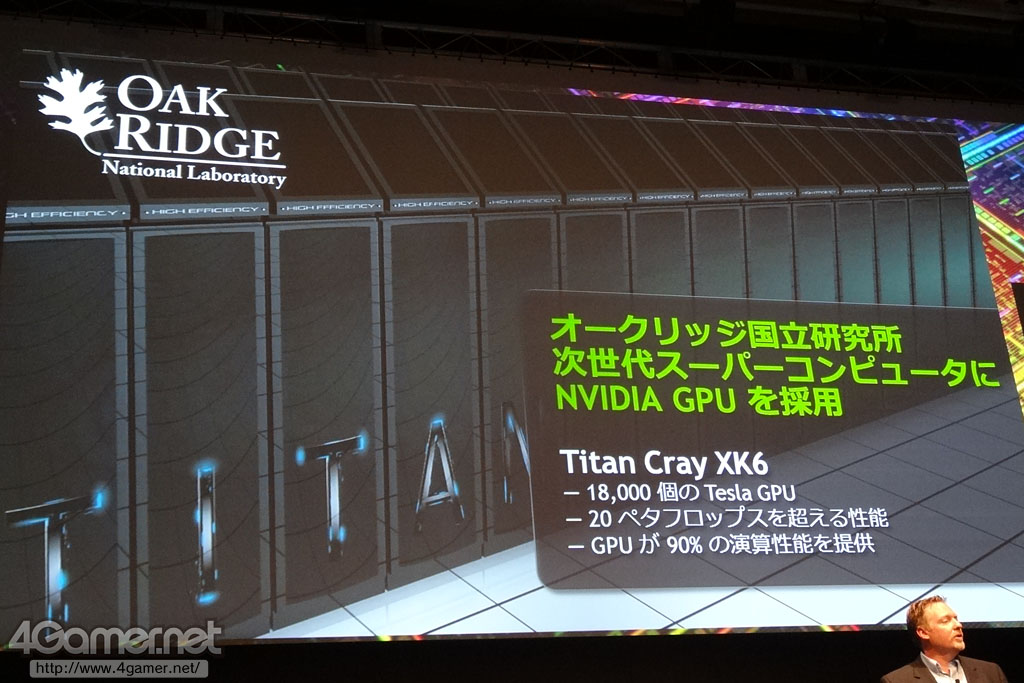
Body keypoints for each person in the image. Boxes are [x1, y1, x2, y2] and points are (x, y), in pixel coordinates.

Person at [881, 596, 1008, 683]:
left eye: (956, 619)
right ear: (923, 633)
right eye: (946, 621)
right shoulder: (897, 680)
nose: (958, 625)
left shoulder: (991, 672)